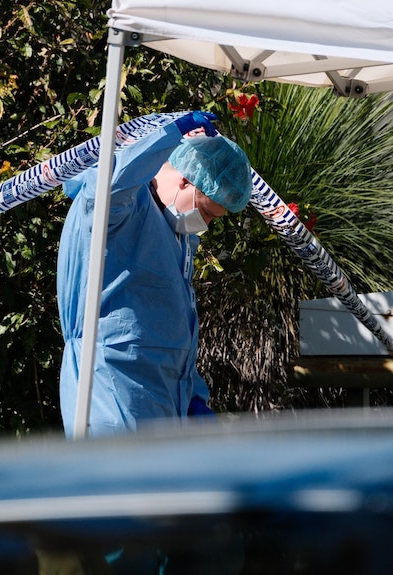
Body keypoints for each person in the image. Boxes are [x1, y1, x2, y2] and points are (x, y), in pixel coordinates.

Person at [56, 111, 253, 438]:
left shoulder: (178, 237)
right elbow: (112, 182)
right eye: (206, 211)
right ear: (186, 180)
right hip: (109, 401)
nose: (206, 224)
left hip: (161, 414)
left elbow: (171, 338)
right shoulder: (121, 210)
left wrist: (193, 399)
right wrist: (167, 135)